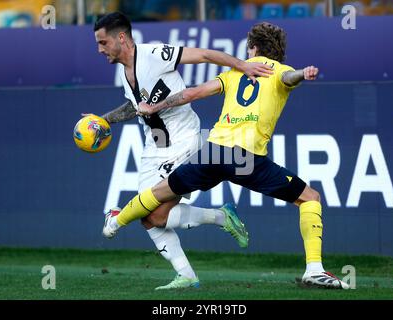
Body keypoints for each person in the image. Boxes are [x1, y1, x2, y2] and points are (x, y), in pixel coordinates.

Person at [103, 22, 350, 290]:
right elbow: (288, 78)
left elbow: (191, 93)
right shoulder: (278, 70)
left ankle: (116, 221)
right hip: (246, 160)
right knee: (309, 198)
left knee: (158, 194)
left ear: (253, 48)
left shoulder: (234, 73)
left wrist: (155, 106)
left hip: (212, 152)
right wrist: (303, 73)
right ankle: (314, 269)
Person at [92, 12, 272, 290]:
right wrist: (105, 120)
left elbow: (204, 55)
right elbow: (135, 107)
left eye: (103, 43)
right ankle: (190, 269)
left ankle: (118, 219)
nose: (99, 49)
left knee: (150, 209)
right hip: (154, 147)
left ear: (122, 37)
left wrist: (242, 65)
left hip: (183, 140)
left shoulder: (154, 54)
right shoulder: (123, 71)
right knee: (152, 219)